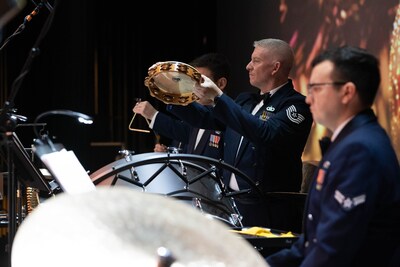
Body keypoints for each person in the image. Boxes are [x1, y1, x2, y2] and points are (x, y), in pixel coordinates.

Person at [265, 46, 400, 266]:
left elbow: (333, 251)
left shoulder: (360, 150)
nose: (308, 99)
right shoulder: (351, 140)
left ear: (347, 92)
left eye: (315, 88)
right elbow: (311, 243)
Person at [164, 38, 313, 229]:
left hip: (268, 210)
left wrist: (219, 98)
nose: (248, 66)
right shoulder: (245, 101)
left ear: (275, 68)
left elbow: (265, 133)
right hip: (231, 204)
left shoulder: (297, 105)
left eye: (256, 61)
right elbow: (205, 119)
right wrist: (174, 94)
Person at [133, 53, 230, 160]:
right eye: (193, 81)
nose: (194, 87)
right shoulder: (196, 117)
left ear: (220, 84)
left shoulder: (227, 118)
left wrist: (153, 114)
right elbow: (183, 138)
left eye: (201, 81)